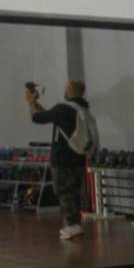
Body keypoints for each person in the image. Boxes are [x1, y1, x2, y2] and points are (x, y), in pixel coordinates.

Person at [26, 79, 97, 240]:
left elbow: (37, 118)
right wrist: (36, 103)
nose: (64, 91)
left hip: (63, 158)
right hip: (78, 156)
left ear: (70, 90)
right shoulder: (83, 109)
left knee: (63, 192)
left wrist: (30, 103)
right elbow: (49, 115)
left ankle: (73, 225)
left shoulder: (63, 108)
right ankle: (75, 224)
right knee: (74, 192)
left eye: (65, 88)